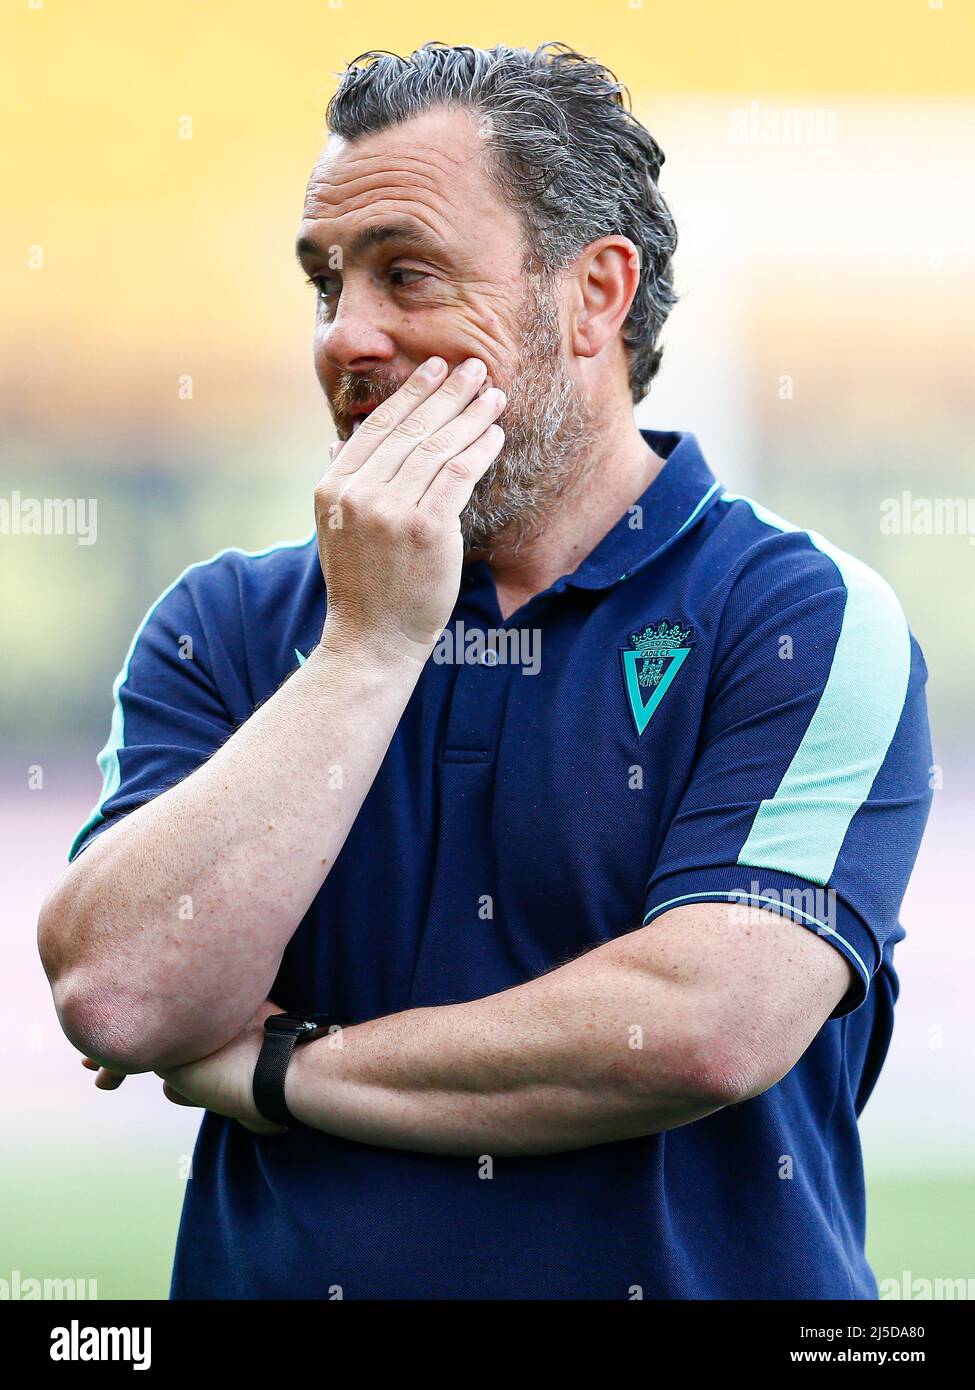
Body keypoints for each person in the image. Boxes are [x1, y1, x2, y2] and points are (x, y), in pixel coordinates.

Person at [38, 41, 932, 1299]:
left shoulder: (804, 615)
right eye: (325, 281)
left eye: (407, 272)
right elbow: (124, 998)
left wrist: (285, 1070)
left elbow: (705, 1026)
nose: (347, 335)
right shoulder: (228, 621)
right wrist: (369, 649)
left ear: (593, 297)